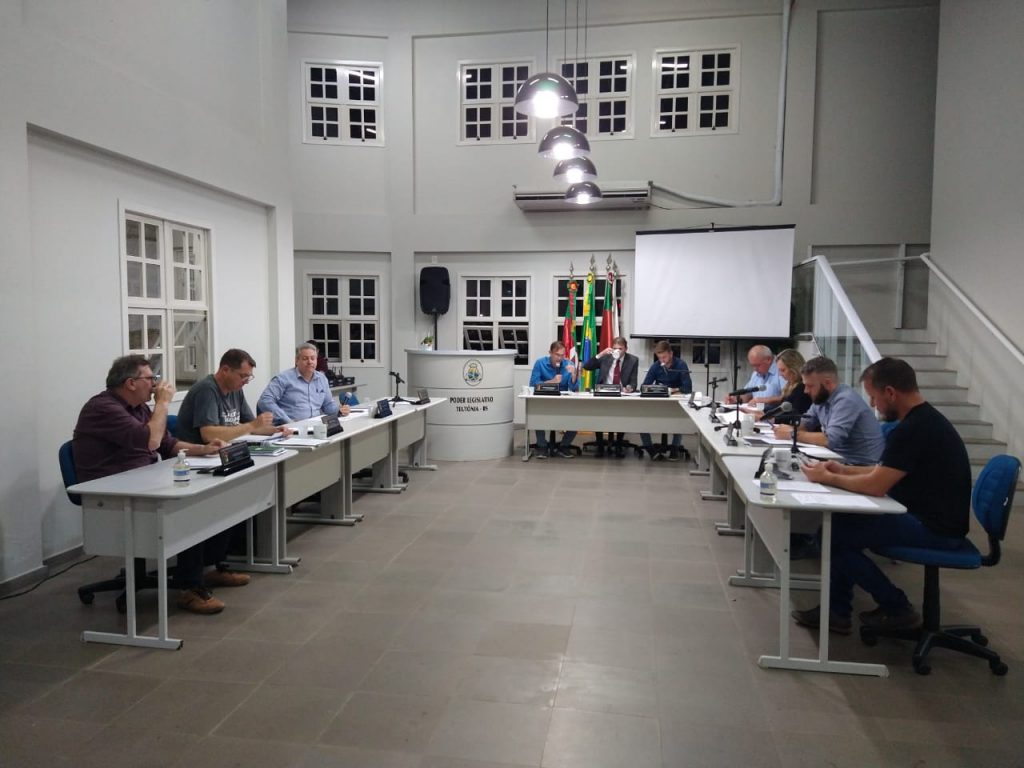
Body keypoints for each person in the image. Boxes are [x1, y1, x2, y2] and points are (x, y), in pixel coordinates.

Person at [793, 358, 971, 634]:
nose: (873, 405)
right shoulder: (923, 421)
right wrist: (842, 469)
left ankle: (896, 607)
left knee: (834, 534)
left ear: (890, 393)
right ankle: (837, 611)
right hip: (931, 517)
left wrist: (828, 478)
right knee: (838, 525)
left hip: (936, 529)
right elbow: (884, 470)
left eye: (874, 398)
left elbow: (876, 485)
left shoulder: (912, 430)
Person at [72, 355, 245, 616]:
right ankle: (190, 588)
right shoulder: (103, 408)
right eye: (150, 378)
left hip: (143, 479)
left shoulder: (138, 407)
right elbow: (150, 441)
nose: (155, 384)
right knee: (191, 509)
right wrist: (162, 403)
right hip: (111, 492)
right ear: (131, 383)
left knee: (218, 495)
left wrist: (204, 449)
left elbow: (167, 444)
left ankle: (208, 568)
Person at [773, 355, 884, 466]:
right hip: (838, 460)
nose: (806, 391)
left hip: (860, 466)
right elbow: (805, 423)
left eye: (810, 386)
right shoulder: (821, 397)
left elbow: (830, 440)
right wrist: (785, 429)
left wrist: (792, 434)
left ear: (828, 383)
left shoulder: (846, 400)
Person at [175, 348, 279, 444]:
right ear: (225, 370)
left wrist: (276, 431)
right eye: (243, 376)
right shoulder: (206, 390)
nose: (246, 382)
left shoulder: (236, 389)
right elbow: (209, 435)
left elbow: (252, 425)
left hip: (223, 449)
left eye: (249, 377)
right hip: (197, 454)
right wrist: (252, 425)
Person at [257, 342, 350, 425]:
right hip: (291, 428)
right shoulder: (283, 378)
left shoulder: (322, 379)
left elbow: (328, 405)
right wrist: (287, 420)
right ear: (297, 360)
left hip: (316, 426)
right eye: (305, 359)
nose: (310, 362)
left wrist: (340, 410)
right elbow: (265, 401)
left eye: (313, 358)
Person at [582, 336, 638, 457]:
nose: (617, 351)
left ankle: (618, 444)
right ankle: (600, 445)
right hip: (604, 392)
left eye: (620, 349)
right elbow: (586, 366)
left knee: (622, 417)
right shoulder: (606, 357)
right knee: (599, 416)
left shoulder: (633, 360)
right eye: (615, 348)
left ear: (626, 349)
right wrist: (600, 354)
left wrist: (629, 388)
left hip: (621, 394)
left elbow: (633, 382)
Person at [640, 340, 692, 461]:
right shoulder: (656, 366)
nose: (662, 360)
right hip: (659, 402)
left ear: (671, 354)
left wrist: (673, 390)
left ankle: (675, 447)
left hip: (676, 402)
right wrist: (657, 389)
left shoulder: (681, 365)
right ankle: (650, 448)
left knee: (679, 419)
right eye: (659, 358)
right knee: (641, 417)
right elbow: (644, 386)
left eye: (664, 357)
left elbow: (688, 388)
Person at [528, 341, 578, 458]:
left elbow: (574, 388)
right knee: (537, 415)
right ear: (550, 353)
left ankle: (564, 446)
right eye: (557, 355)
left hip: (563, 401)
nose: (560, 358)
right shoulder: (540, 363)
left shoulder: (569, 364)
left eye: (562, 355)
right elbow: (533, 384)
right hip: (544, 400)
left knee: (577, 417)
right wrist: (552, 382)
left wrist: (574, 375)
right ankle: (542, 446)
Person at [762, 348, 811, 420]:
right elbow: (780, 407)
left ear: (794, 369)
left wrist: (769, 417)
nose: (780, 374)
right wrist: (762, 411)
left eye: (783, 370)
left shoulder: (802, 388)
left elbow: (794, 414)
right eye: (779, 370)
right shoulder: (790, 385)